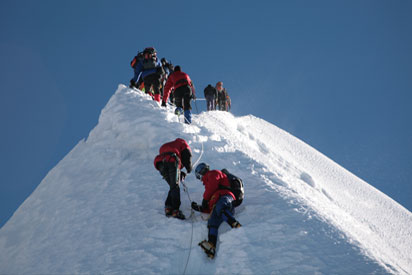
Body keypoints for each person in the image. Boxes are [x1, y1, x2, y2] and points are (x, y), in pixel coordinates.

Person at [191, 163, 242, 258]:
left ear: (202, 171)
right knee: (212, 222)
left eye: (199, 176)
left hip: (226, 196)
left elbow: (212, 186)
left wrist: (205, 200)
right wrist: (200, 208)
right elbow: (209, 203)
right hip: (217, 203)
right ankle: (211, 246)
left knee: (220, 207)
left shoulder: (213, 173)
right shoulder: (209, 187)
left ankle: (234, 224)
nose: (200, 179)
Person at [154, 138, 193, 220]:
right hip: (172, 161)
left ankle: (168, 207)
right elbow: (187, 154)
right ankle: (176, 210)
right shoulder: (182, 142)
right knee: (175, 186)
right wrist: (189, 168)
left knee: (173, 186)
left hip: (160, 164)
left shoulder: (169, 145)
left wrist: (179, 172)